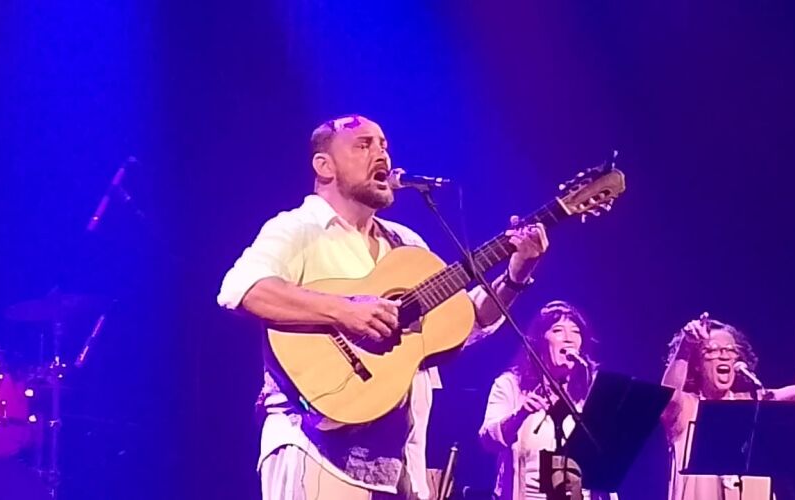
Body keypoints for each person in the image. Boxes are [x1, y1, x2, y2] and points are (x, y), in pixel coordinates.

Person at [217, 114, 549, 500]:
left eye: (384, 145)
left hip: (399, 461)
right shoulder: (297, 227)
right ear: (324, 166)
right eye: (364, 145)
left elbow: (465, 322)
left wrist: (517, 272)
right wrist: (345, 310)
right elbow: (241, 289)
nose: (382, 155)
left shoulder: (405, 243)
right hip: (314, 446)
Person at [661, 310, 795, 500]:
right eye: (712, 350)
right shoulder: (688, 407)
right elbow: (666, 398)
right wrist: (686, 347)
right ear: (697, 364)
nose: (724, 355)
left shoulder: (753, 402)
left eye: (730, 350)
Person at [479, 300, 617, 500]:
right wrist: (520, 415)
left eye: (576, 332)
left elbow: (609, 457)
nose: (569, 339)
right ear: (539, 342)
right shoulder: (511, 385)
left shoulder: (591, 389)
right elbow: (488, 440)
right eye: (558, 330)